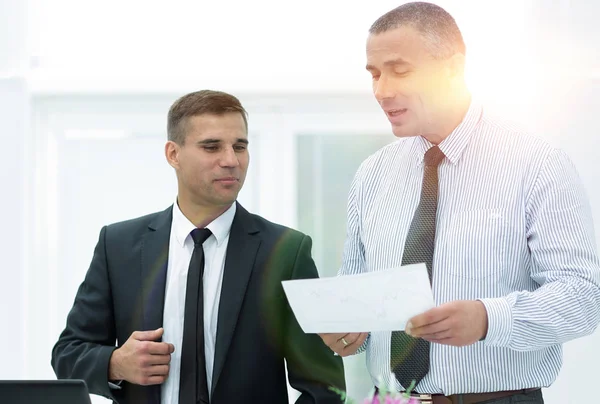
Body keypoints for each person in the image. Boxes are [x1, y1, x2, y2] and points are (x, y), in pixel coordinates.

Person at [319, 2, 600, 404]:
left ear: (453, 68)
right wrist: (347, 331)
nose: (382, 90)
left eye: (400, 70)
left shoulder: (536, 163)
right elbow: (361, 295)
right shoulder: (372, 175)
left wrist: (488, 319)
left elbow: (583, 297)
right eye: (375, 74)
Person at [51, 89, 345, 404]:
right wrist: (115, 364)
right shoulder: (118, 245)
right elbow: (68, 353)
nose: (231, 160)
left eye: (240, 146)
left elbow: (323, 388)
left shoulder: (286, 251)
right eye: (212, 146)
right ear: (173, 154)